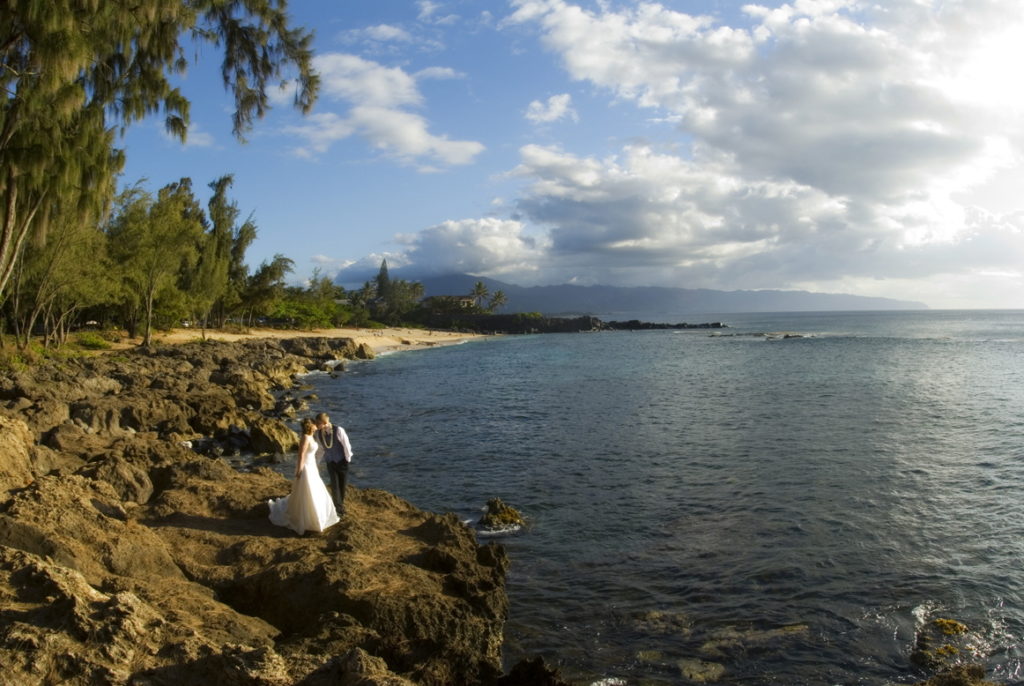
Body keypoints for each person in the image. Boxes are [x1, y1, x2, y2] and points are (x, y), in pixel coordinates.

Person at [268, 418, 340, 534]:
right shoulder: (305, 438)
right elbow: (301, 455)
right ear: (310, 426)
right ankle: (308, 519)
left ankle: (316, 518)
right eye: (313, 423)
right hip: (306, 467)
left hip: (312, 466)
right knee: (307, 490)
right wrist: (300, 470)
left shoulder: (312, 436)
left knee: (315, 490)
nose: (316, 424)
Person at [314, 412, 353, 515]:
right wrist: (316, 463)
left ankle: (340, 504)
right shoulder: (318, 434)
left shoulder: (339, 430)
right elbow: (320, 450)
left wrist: (347, 459)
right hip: (330, 462)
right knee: (334, 485)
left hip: (342, 461)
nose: (317, 426)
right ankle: (338, 508)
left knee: (342, 485)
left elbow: (346, 445)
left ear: (324, 422)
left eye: (318, 423)